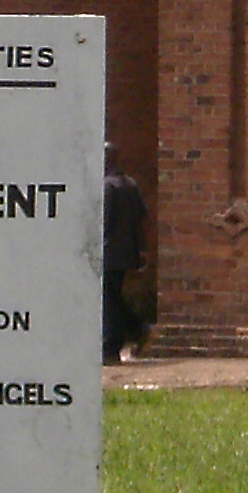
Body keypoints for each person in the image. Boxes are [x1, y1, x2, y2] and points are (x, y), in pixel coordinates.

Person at [100, 149, 148, 366]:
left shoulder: (107, 186)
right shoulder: (130, 184)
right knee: (113, 296)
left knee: (109, 300)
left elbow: (103, 223)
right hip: (127, 252)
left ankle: (113, 345)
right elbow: (141, 218)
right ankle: (135, 327)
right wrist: (141, 249)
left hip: (108, 252)